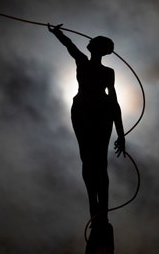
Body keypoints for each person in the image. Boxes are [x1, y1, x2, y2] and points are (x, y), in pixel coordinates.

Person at [48, 23, 126, 227]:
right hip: (84, 111)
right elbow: (70, 46)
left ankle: (102, 211)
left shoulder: (103, 70)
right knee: (90, 160)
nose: (89, 42)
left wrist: (121, 133)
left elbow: (114, 102)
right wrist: (58, 33)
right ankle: (95, 208)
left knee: (97, 161)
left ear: (98, 48)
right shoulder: (85, 63)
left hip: (97, 112)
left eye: (93, 41)